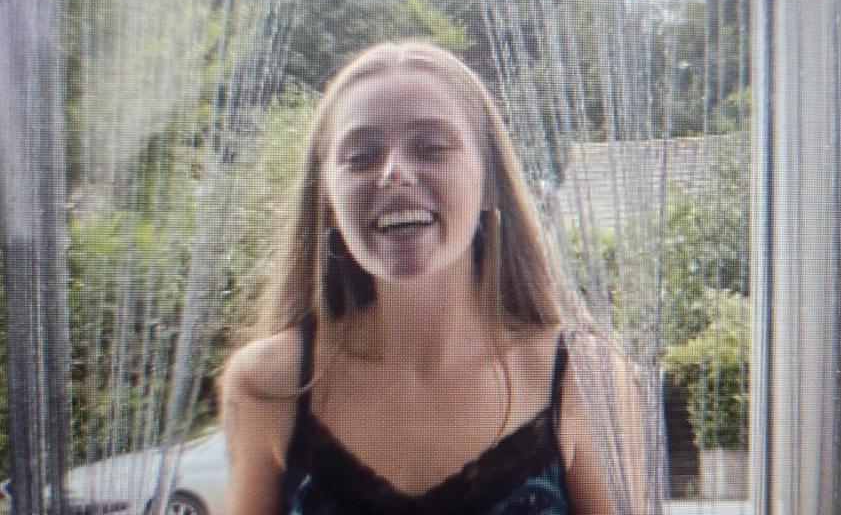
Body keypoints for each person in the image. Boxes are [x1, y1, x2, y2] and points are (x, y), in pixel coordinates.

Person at [219, 40, 648, 515]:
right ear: (328, 199)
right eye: (361, 156)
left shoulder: (586, 381)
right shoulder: (267, 385)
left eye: (432, 147)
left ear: (490, 180)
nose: (394, 174)